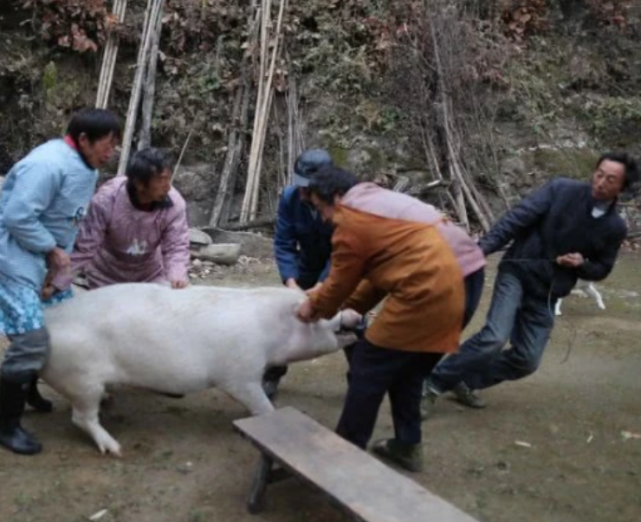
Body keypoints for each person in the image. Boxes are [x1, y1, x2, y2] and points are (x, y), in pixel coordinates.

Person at [421, 152, 639, 416]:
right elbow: (516, 219)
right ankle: (432, 384)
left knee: (527, 360)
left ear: (622, 188)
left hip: (548, 291)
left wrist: (581, 264)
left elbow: (601, 269)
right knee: (494, 337)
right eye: (599, 173)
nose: (601, 181)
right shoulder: (561, 190)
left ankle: (466, 381)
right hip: (518, 271)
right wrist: (482, 249)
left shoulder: (614, 227)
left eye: (611, 179)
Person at [296, 166, 484, 472]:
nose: (325, 218)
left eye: (321, 208)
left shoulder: (351, 216)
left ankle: (343, 457)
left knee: (367, 367)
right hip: (467, 276)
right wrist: (351, 304)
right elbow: (385, 270)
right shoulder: (377, 200)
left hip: (435, 282)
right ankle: (407, 445)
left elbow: (340, 281)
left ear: (338, 197)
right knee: (407, 370)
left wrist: (313, 306)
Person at [0, 108, 120, 455]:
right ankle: (6, 422)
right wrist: (50, 248)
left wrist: (57, 264)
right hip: (13, 260)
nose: (110, 153)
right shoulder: (49, 164)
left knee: (65, 326)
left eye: (114, 146)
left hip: (45, 261)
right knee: (32, 340)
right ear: (83, 139)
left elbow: (67, 217)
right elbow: (17, 215)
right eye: (107, 145)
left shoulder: (83, 165)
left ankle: (30, 388)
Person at [44, 147, 190, 296]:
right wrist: (58, 282)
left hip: (150, 275)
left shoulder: (175, 203)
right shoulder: (107, 199)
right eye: (160, 180)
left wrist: (177, 276)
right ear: (140, 183)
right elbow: (85, 246)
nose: (167, 187)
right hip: (105, 274)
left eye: (168, 179)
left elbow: (176, 246)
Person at [263, 148, 335, 398]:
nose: (303, 193)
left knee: (350, 322)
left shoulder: (345, 202)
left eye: (309, 188)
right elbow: (283, 242)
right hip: (306, 264)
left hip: (339, 267)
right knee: (286, 317)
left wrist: (324, 284)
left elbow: (344, 252)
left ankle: (361, 379)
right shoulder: (290, 197)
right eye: (301, 186)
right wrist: (291, 282)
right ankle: (271, 375)